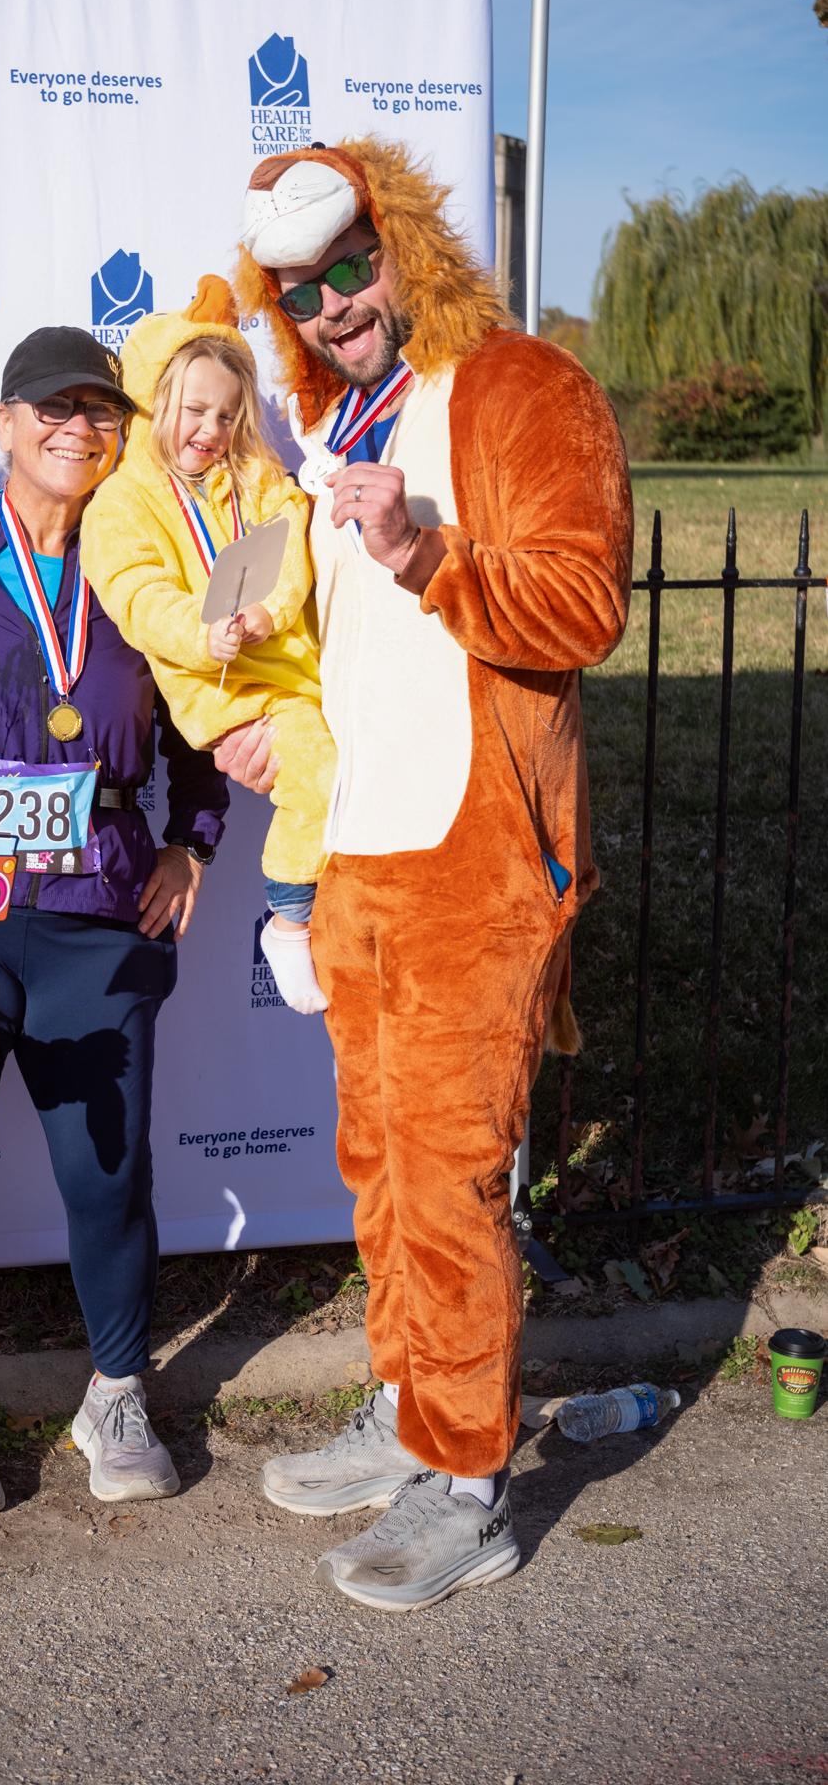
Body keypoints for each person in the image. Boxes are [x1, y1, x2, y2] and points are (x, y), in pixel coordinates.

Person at [216, 139, 632, 1611]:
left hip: (477, 859)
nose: (335, 302)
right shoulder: (333, 423)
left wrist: (424, 548)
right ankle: (408, 1409)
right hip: (361, 860)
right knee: (379, 1172)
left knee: (454, 1186)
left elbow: (582, 605)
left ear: (409, 249)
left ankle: (469, 1483)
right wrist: (266, 713)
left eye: (353, 264)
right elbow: (335, 654)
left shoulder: (522, 387)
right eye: (303, 287)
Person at [0, 324, 228, 1516]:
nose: (77, 428)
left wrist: (195, 839)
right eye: (51, 408)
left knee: (107, 1172)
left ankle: (117, 1389)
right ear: (5, 422)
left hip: (100, 906)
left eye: (99, 411)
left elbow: (214, 713)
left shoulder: (150, 557)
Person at [79, 275, 335, 1014]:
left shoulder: (253, 475)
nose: (210, 430)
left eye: (226, 414)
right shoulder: (121, 504)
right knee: (317, 783)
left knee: (355, 792)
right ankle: (289, 919)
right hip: (230, 692)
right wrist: (204, 632)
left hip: (297, 669)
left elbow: (288, 548)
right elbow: (137, 596)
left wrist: (268, 610)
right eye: (193, 410)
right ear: (153, 402)